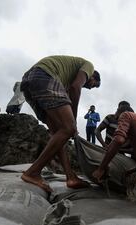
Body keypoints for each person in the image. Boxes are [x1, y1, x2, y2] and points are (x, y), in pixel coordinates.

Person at [20, 55, 101, 193]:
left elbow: (69, 92)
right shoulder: (89, 66)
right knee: (68, 128)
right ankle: (33, 172)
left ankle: (70, 177)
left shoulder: (65, 81)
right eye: (93, 85)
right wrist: (73, 122)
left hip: (29, 81)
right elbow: (76, 88)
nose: (89, 87)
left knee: (59, 134)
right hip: (45, 75)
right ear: (93, 76)